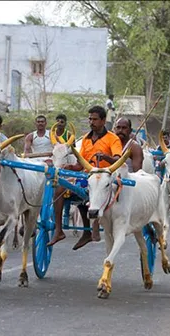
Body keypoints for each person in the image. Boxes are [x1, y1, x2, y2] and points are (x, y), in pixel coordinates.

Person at [47, 105, 123, 250]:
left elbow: (118, 159)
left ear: (103, 120)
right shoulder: (86, 139)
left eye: (94, 119)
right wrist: (70, 167)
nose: (91, 122)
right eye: (90, 119)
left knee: (85, 189)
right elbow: (80, 164)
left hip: (104, 178)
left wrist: (105, 157)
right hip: (87, 176)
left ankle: (90, 230)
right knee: (60, 188)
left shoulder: (112, 139)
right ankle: (59, 230)